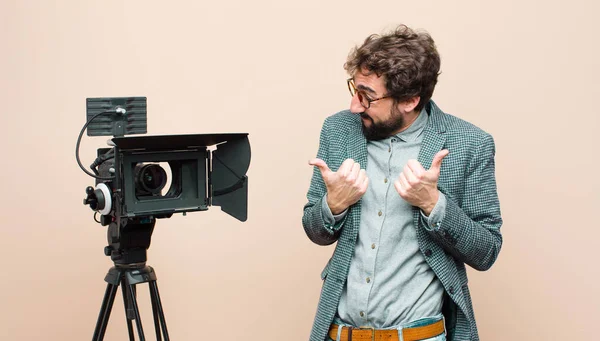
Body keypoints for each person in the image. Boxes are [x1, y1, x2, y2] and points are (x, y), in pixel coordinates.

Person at [302, 24, 503, 341]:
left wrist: (434, 205)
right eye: (354, 90)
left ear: (410, 100)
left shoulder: (470, 144)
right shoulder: (338, 130)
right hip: (340, 334)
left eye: (367, 97)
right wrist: (333, 205)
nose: (355, 105)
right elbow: (315, 230)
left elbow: (487, 251)